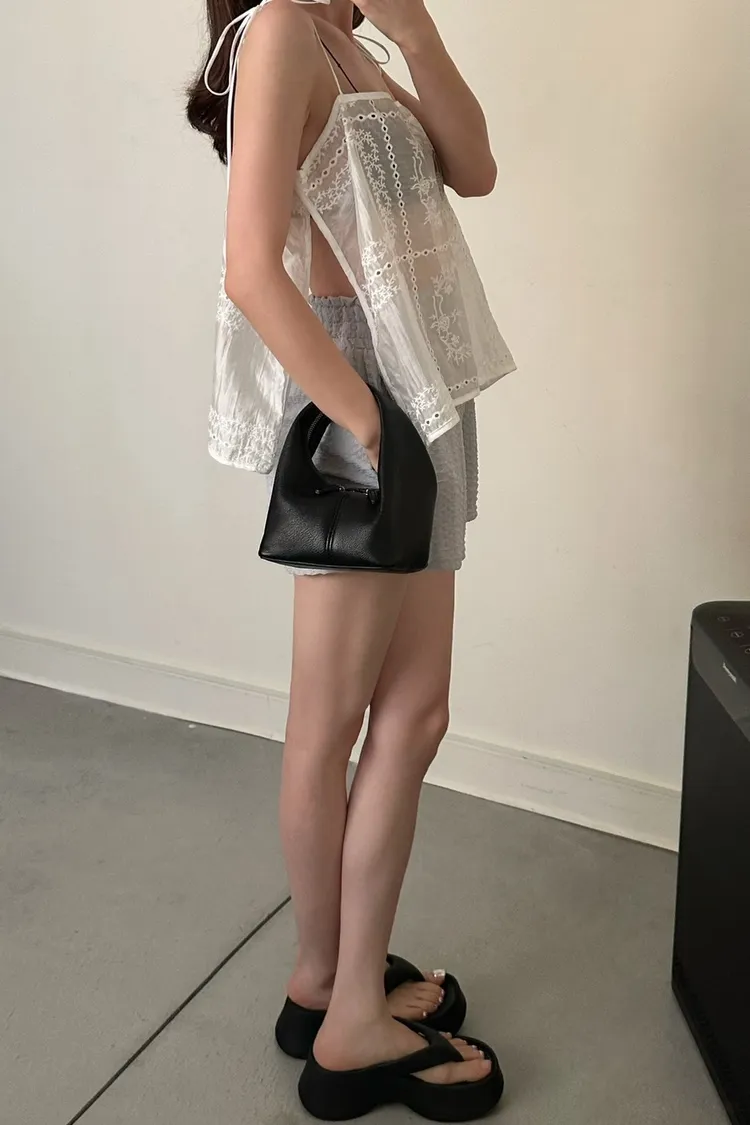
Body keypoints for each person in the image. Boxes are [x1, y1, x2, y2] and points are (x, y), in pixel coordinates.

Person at [186, 1, 516, 1118]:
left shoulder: (346, 35)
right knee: (328, 722)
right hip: (366, 388)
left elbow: (475, 170)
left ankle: (331, 982)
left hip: (417, 384)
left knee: (414, 715)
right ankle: (343, 1015)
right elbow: (251, 267)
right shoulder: (279, 27)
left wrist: (413, 32)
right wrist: (365, 424)